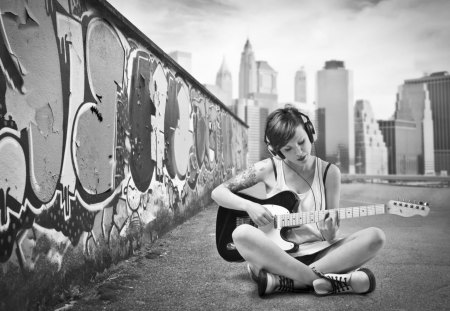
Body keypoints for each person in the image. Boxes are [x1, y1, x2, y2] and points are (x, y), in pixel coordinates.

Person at [211, 106, 385, 297]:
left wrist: (329, 231)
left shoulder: (330, 173)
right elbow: (218, 192)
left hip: (322, 254)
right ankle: (329, 282)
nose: (299, 151)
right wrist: (249, 206)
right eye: (288, 149)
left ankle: (286, 283)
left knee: (376, 236)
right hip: (277, 257)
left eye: (302, 142)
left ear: (311, 133)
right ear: (276, 151)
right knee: (242, 233)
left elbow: (330, 231)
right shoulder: (268, 169)